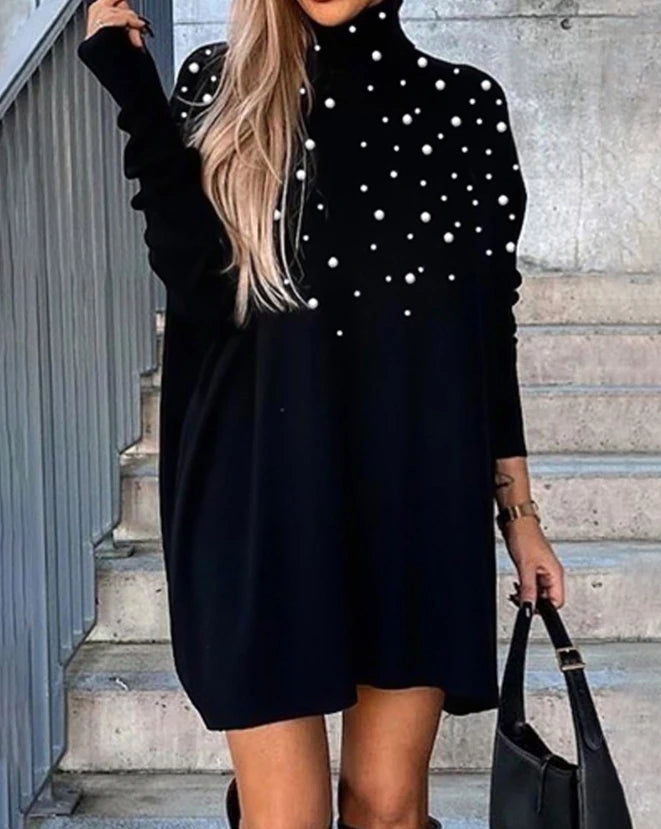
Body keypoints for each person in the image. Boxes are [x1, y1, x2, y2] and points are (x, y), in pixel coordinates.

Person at [77, 0, 565, 826]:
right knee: (286, 816)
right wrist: (134, 90)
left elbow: (488, 330)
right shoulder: (222, 88)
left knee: (386, 807)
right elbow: (197, 286)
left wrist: (519, 515)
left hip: (416, 497)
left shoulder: (464, 105)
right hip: (255, 495)